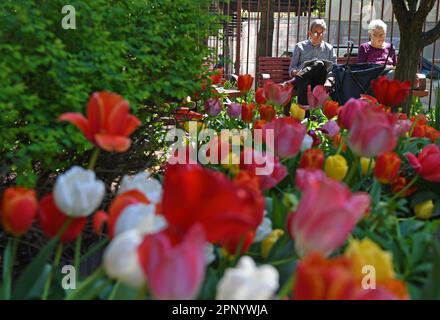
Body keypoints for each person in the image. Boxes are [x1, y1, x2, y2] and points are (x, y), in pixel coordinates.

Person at [288, 19, 337, 106]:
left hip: (319, 80)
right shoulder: (300, 47)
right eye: (316, 32)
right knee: (304, 81)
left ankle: (297, 79)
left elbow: (333, 70)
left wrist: (329, 81)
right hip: (303, 82)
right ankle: (305, 115)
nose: (319, 35)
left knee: (319, 63)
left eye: (322, 32)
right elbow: (292, 68)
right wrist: (296, 72)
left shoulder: (329, 48)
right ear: (309, 33)